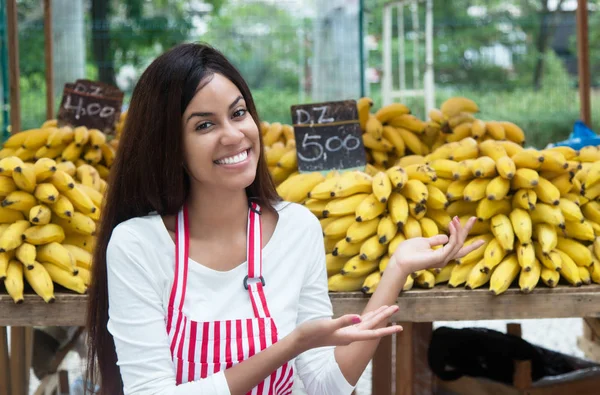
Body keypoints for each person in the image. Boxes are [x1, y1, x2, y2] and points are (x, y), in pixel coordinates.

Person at [85, 42, 483, 395]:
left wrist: (397, 269)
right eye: (204, 124)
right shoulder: (138, 245)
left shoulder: (297, 228)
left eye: (238, 113)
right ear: (168, 145)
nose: (234, 135)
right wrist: (289, 347)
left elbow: (325, 386)